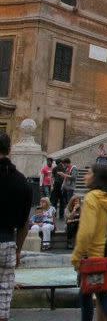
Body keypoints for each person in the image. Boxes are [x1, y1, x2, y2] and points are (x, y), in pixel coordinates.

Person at [71, 164, 107, 321]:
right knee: (95, 296)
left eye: (88, 173)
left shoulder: (92, 198)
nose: (85, 176)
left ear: (97, 177)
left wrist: (77, 255)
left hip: (94, 257)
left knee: (97, 299)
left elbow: (86, 232)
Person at [0, 133, 33, 321]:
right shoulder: (22, 182)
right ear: (9, 150)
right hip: (7, 242)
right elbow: (24, 224)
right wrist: (18, 251)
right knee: (4, 292)